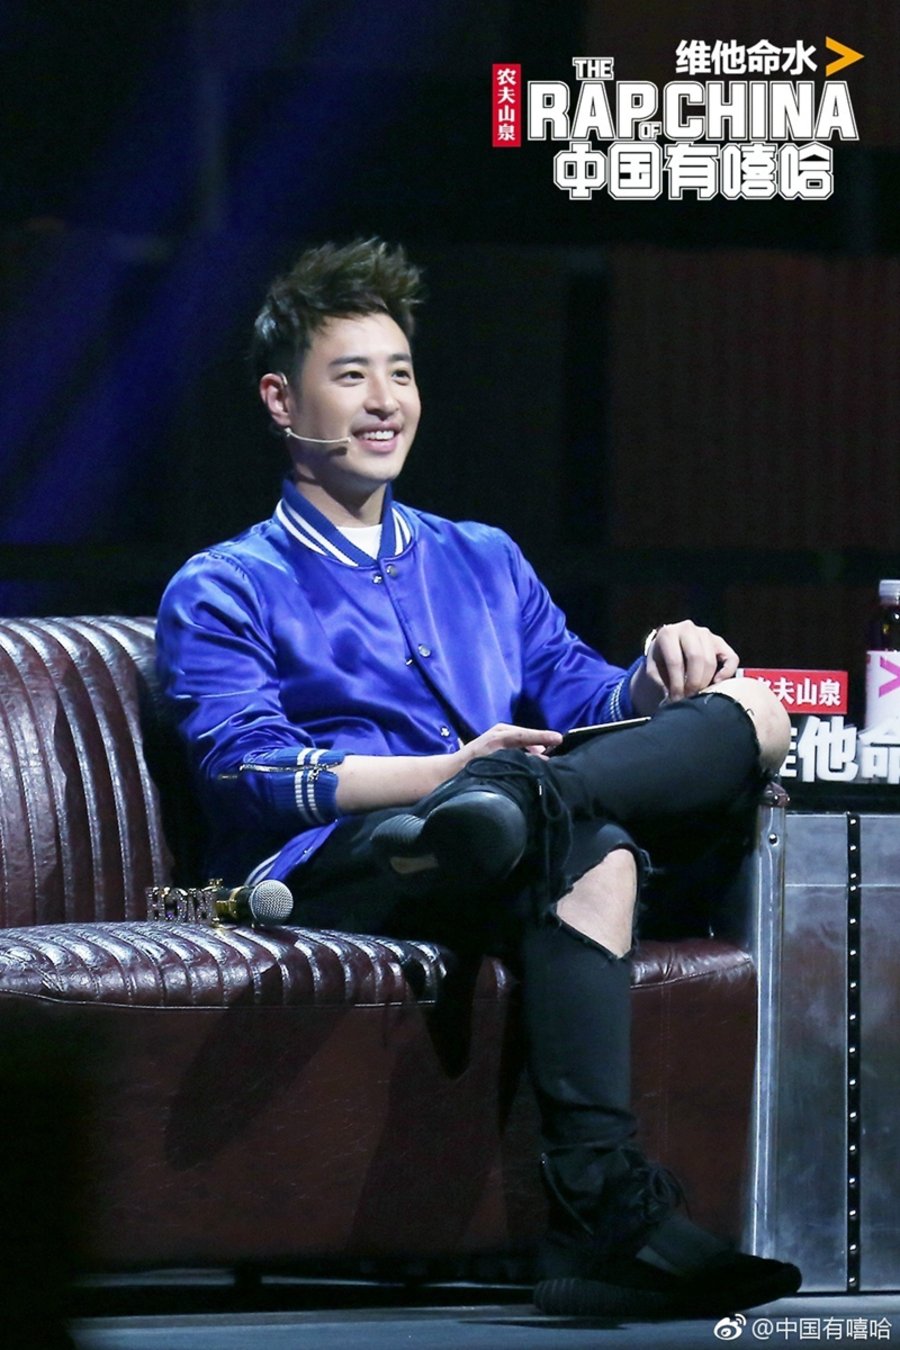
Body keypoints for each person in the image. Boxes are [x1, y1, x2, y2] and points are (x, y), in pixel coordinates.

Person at [156, 238, 801, 1318]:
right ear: (281, 400)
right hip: (346, 862)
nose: (385, 402)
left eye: (400, 373)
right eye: (351, 375)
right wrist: (446, 773)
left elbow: (582, 695)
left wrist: (656, 677)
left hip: (509, 823)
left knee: (753, 714)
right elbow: (248, 768)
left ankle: (523, 805)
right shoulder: (226, 584)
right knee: (556, 840)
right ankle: (608, 1216)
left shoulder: (484, 557)